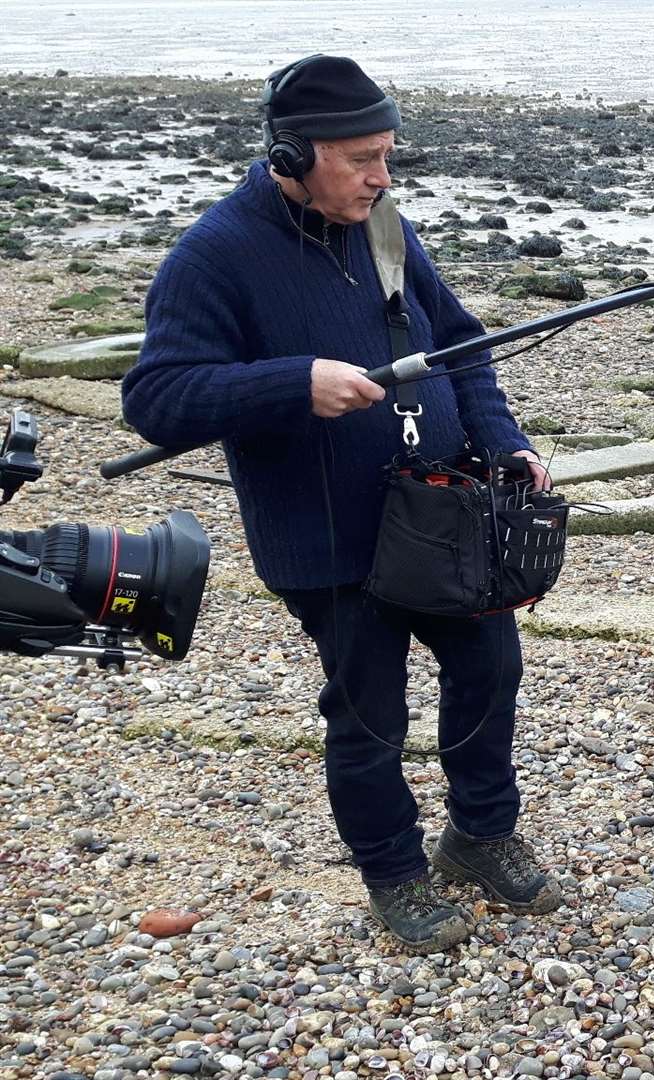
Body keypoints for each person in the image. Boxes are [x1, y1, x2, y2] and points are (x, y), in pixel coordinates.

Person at [121, 54, 559, 954]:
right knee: (368, 716)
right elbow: (157, 398)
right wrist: (292, 383)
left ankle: (478, 835)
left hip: (441, 517)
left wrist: (504, 438)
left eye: (388, 154)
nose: (381, 177)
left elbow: (463, 344)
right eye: (361, 158)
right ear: (290, 156)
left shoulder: (385, 226)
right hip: (325, 539)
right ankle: (393, 873)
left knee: (490, 671)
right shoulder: (213, 256)